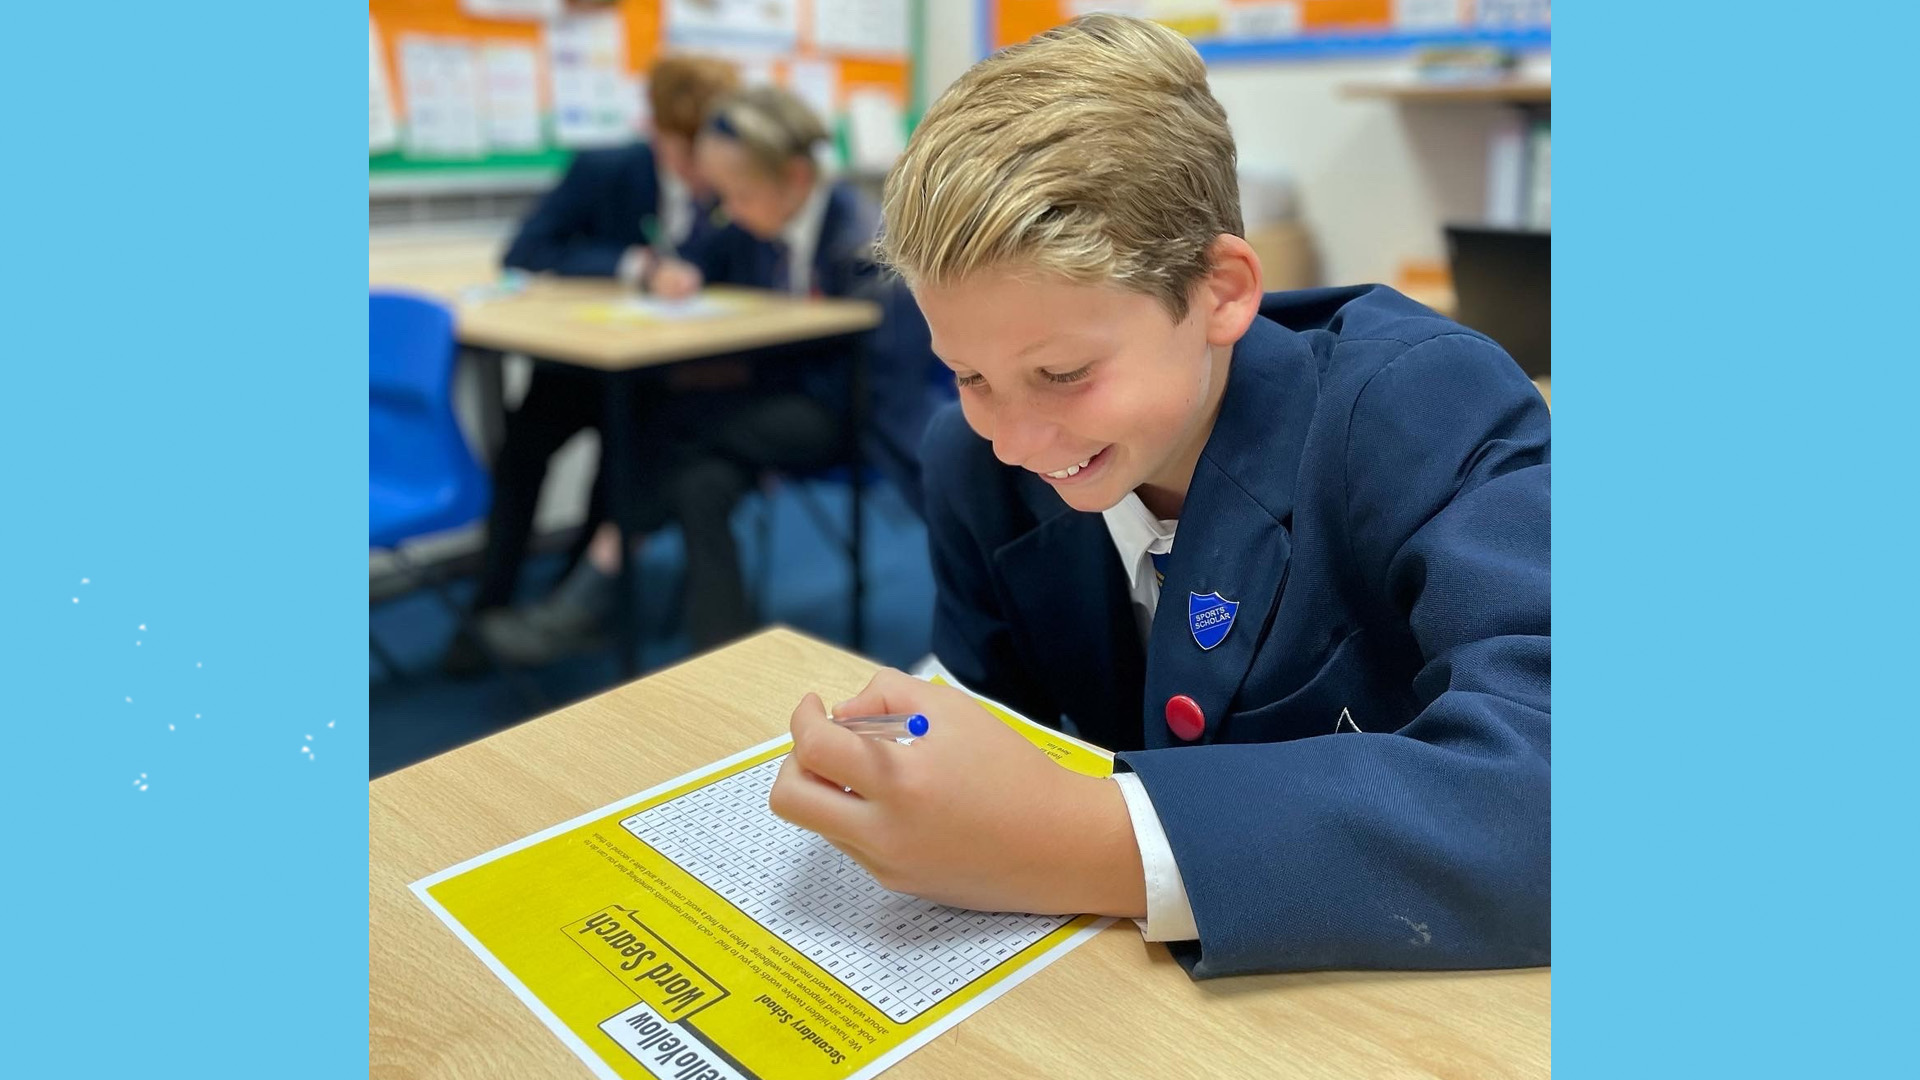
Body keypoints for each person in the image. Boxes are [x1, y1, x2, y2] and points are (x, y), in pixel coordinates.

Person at [765, 14, 1550, 980]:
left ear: (1220, 291)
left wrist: (1080, 837)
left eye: (1061, 373)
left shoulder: (1418, 406)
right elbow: (995, 716)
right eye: (966, 376)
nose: (1012, 438)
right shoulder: (974, 465)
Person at [489, 86, 938, 659]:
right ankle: (720, 655)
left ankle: (593, 582)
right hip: (765, 409)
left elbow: (871, 384)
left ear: (798, 177)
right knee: (703, 480)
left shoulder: (866, 244)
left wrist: (737, 375)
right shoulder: (748, 221)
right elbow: (693, 265)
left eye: (740, 194)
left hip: (846, 414)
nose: (729, 210)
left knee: (674, 423)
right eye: (721, 196)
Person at [447, 55, 739, 675]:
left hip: (667, 376)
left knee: (627, 465)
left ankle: (572, 601)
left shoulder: (730, 189)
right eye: (690, 151)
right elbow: (526, 250)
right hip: (580, 368)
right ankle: (488, 607)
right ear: (661, 135)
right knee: (522, 456)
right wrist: (633, 265)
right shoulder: (607, 170)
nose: (704, 169)